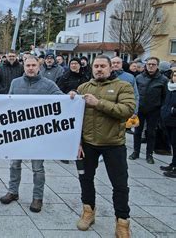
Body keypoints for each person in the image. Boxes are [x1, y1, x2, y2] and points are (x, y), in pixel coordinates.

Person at [75, 55, 135, 236]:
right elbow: (74, 118)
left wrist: (98, 103)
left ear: (110, 68)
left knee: (120, 184)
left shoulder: (123, 86)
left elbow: (127, 110)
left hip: (113, 144)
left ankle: (122, 222)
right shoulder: (83, 88)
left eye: (102, 66)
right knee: (86, 179)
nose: (99, 69)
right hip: (88, 144)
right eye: (96, 66)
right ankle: (88, 211)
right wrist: (76, 142)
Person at [0, 56, 64, 212]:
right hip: (18, 131)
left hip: (38, 133)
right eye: (27, 65)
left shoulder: (49, 85)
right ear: (24, 66)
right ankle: (13, 191)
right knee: (14, 164)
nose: (30, 68)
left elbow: (62, 100)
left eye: (33, 65)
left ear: (39, 66)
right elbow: (9, 103)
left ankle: (37, 197)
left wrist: (73, 96)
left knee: (37, 168)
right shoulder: (15, 83)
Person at [130, 57, 168, 164]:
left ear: (157, 66)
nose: (151, 66)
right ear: (146, 65)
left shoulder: (163, 79)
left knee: (151, 133)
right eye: (149, 64)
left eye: (153, 64)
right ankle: (135, 152)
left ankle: (149, 155)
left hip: (154, 110)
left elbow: (164, 96)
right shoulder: (138, 77)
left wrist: (161, 110)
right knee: (137, 131)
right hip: (140, 109)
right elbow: (134, 94)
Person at [160, 70, 176, 178]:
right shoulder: (170, 87)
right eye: (175, 75)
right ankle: (173, 164)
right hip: (168, 121)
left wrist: (173, 111)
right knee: (173, 145)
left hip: (174, 121)